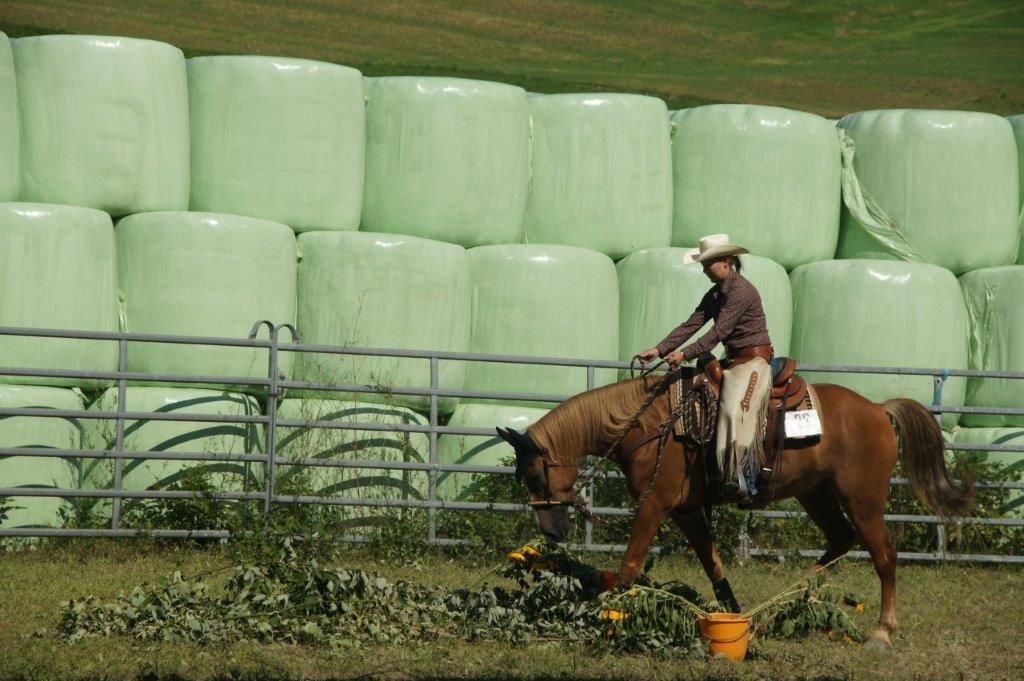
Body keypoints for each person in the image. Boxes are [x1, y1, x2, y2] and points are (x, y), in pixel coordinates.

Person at [637, 234, 773, 503]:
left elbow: (718, 332)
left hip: (753, 361)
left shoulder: (741, 291)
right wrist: (659, 349)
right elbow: (692, 323)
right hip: (734, 360)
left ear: (727, 261)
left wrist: (685, 354)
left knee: (734, 407)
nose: (704, 270)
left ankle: (744, 478)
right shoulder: (715, 294)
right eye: (703, 264)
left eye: (708, 264)